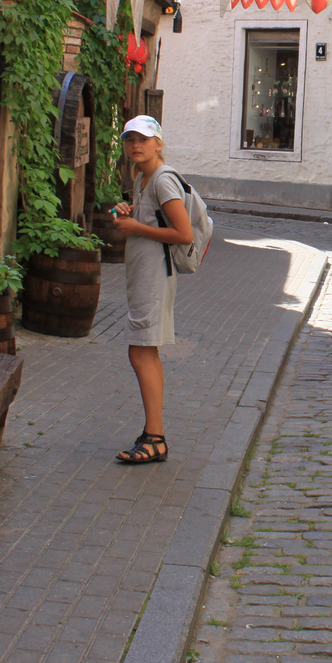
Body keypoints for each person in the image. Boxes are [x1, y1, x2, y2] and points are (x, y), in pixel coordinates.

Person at [110, 115, 193, 464]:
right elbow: (148, 223)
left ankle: (155, 437)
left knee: (141, 352)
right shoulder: (143, 179)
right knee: (144, 352)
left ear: (159, 143)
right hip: (145, 276)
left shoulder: (161, 180)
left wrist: (136, 227)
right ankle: (153, 434)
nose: (136, 145)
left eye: (143, 139)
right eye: (130, 139)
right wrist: (129, 215)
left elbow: (184, 234)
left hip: (155, 278)